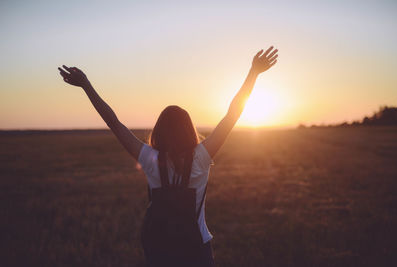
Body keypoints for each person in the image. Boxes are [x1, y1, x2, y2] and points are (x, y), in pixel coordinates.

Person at [58, 46, 278, 266]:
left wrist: (86, 85)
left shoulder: (149, 158)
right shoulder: (201, 157)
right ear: (189, 129)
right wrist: (253, 73)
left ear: (159, 130)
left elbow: (114, 123)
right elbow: (233, 114)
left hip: (160, 248)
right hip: (196, 248)